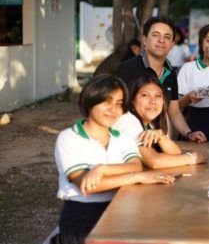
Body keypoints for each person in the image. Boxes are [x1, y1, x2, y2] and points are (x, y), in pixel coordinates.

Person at [52, 75, 175, 243]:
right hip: (83, 216)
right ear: (90, 100)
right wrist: (137, 177)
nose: (113, 110)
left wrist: (102, 169)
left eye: (118, 103)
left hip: (122, 208)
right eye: (106, 102)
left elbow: (135, 165)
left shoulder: (122, 137)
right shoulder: (69, 138)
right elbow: (87, 185)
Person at [114, 16, 206, 143]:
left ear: (172, 44)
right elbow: (115, 107)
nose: (161, 40)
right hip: (128, 139)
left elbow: (173, 111)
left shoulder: (171, 73)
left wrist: (189, 133)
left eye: (167, 37)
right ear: (145, 39)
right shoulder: (126, 69)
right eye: (155, 35)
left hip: (157, 139)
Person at [113, 73, 208, 169]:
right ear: (132, 99)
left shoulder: (151, 123)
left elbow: (175, 153)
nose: (153, 101)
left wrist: (161, 136)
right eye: (145, 95)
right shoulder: (127, 120)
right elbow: (154, 161)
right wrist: (193, 158)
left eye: (158, 96)